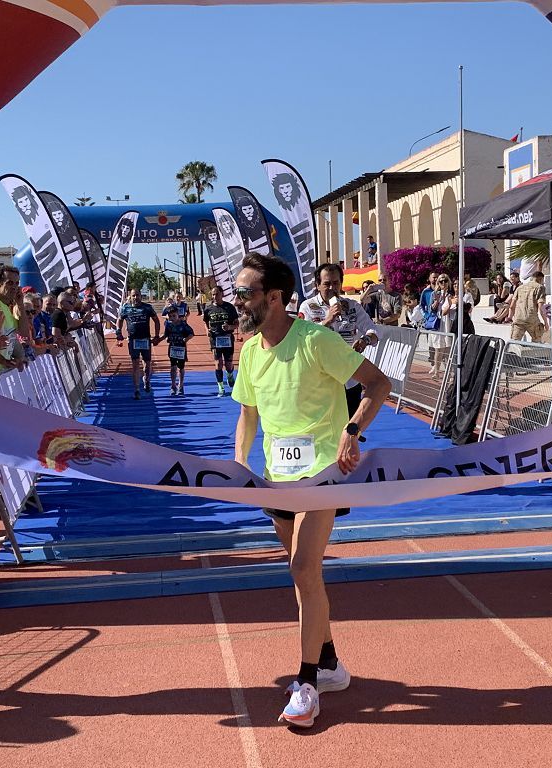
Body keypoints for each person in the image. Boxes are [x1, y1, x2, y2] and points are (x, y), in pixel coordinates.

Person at [231, 253, 391, 729]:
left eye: (246, 293)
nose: (236, 300)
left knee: (303, 568)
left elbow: (378, 384)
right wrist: (240, 464)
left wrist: (352, 430)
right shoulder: (250, 351)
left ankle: (306, 684)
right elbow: (248, 414)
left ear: (274, 297)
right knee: (305, 577)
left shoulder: (315, 340)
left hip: (322, 474)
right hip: (276, 478)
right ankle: (331, 665)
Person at [297, 262, 378, 419]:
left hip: (349, 379)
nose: (332, 288)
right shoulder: (307, 306)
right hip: (320, 380)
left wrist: (365, 339)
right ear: (317, 285)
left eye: (336, 283)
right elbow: (302, 339)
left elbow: (373, 330)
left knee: (350, 430)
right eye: (327, 284)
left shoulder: (352, 305)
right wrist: (327, 320)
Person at [116, 288, 160, 399]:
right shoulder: (125, 308)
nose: (136, 298)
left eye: (137, 295)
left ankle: (146, 380)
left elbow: (156, 320)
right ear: (130, 296)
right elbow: (120, 320)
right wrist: (118, 332)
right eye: (133, 295)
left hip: (145, 339)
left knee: (147, 364)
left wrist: (156, 336)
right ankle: (136, 389)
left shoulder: (147, 308)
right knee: (135, 364)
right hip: (133, 340)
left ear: (141, 296)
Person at [203, 285, 238, 397]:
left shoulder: (230, 307)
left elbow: (237, 323)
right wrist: (207, 330)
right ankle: (221, 388)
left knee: (228, 364)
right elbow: (205, 322)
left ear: (222, 294)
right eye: (213, 294)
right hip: (215, 339)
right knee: (218, 364)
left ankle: (230, 374)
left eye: (217, 294)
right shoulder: (208, 309)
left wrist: (230, 327)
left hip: (227, 339)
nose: (215, 296)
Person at [160, 305, 194, 395]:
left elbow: (191, 333)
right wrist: (157, 340)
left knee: (181, 367)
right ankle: (173, 385)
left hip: (181, 348)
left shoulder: (183, 324)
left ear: (178, 315)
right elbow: (165, 335)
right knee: (173, 367)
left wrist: (186, 339)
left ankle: (181, 385)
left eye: (174, 316)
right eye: (170, 316)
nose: (172, 318)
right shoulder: (168, 325)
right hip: (172, 348)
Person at [509, 271, 546, 342]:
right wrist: (546, 323)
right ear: (541, 279)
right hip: (532, 319)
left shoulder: (519, 288)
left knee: (514, 344)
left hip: (518, 319)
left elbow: (511, 306)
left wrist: (511, 318)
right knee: (537, 342)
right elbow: (541, 308)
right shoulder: (540, 287)